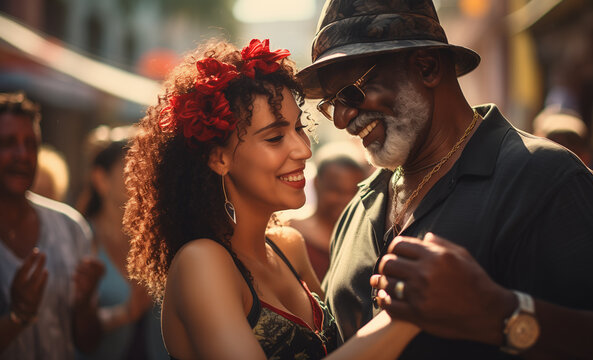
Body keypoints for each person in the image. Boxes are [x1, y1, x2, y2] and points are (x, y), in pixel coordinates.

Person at [296, 0, 593, 358]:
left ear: (427, 67)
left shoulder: (544, 177)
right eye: (333, 102)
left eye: (352, 92)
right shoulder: (359, 208)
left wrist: (499, 313)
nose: (341, 118)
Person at [123, 38, 419, 359]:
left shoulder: (289, 246)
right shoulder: (202, 262)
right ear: (218, 158)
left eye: (299, 127)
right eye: (276, 137)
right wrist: (408, 316)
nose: (304, 150)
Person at [0, 92, 104, 359]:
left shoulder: (71, 227)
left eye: (31, 144)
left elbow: (89, 343)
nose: (22, 155)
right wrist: (17, 317)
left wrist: (84, 307)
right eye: (8, 143)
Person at [75, 126, 165, 360]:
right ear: (100, 179)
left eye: (145, 167)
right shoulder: (80, 239)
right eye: (131, 168)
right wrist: (126, 313)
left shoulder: (157, 242)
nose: (143, 176)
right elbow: (66, 325)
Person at [289, 142, 367, 279]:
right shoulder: (290, 231)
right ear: (316, 184)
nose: (346, 200)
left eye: (353, 193)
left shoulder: (364, 238)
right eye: (337, 191)